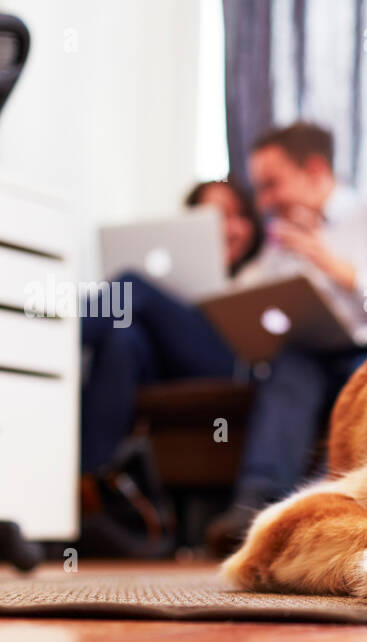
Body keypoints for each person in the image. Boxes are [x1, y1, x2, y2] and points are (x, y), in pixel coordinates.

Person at [203, 121, 367, 552]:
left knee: (351, 378)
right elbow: (254, 303)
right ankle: (254, 511)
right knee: (289, 368)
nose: (265, 202)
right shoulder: (283, 239)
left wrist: (336, 268)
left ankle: (325, 512)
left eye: (272, 185)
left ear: (314, 171)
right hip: (312, 353)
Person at [78, 180, 263, 555]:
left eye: (235, 216)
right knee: (123, 337)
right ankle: (91, 490)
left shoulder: (262, 271)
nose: (227, 228)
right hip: (166, 366)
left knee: (133, 286)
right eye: (212, 218)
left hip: (229, 364)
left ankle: (56, 338)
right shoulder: (173, 280)